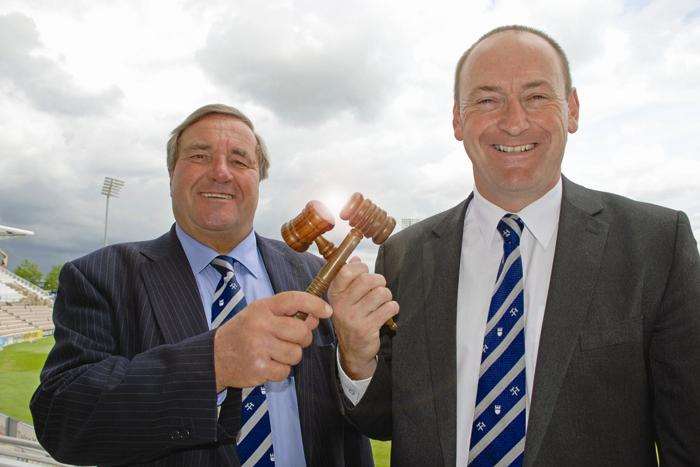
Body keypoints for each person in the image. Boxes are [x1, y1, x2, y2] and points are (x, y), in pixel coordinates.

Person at [330, 25, 700, 466]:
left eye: (537, 96)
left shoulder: (655, 244)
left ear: (573, 110)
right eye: (487, 99)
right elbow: (385, 421)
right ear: (457, 120)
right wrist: (356, 358)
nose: (514, 120)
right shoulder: (404, 255)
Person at [31, 104, 389, 466]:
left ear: (258, 179)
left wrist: (356, 362)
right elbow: (61, 420)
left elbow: (382, 417)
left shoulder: (320, 276)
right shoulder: (100, 276)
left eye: (239, 160)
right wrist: (214, 363)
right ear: (172, 174)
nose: (220, 173)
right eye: (199, 156)